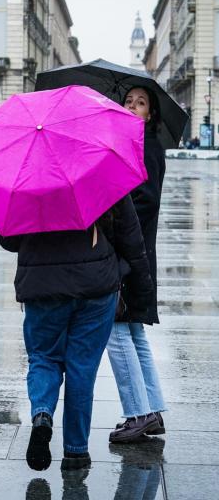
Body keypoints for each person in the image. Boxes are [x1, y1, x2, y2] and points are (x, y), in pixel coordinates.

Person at [0, 196, 153, 471]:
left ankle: (43, 414)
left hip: (41, 285)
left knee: (44, 358)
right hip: (95, 283)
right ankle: (76, 451)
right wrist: (141, 289)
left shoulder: (25, 175)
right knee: (82, 367)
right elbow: (130, 234)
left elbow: (8, 240)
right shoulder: (99, 166)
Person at [106, 87, 167, 443]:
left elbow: (147, 199)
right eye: (128, 101)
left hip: (131, 252)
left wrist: (113, 209)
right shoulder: (131, 142)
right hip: (135, 252)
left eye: (140, 103)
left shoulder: (147, 145)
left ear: (150, 114)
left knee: (116, 329)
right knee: (132, 330)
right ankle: (152, 409)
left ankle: (138, 413)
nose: (132, 106)